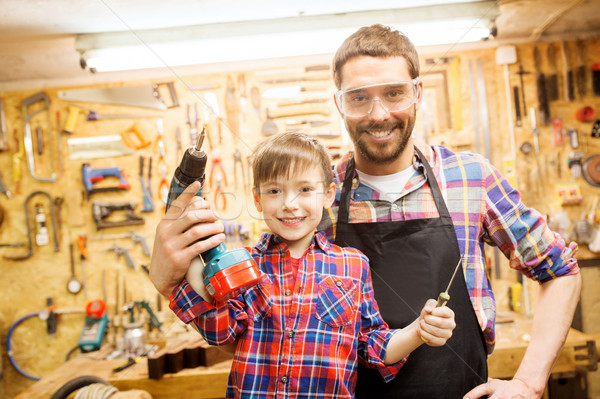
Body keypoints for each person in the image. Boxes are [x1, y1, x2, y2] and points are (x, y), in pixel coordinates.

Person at [150, 24, 581, 398]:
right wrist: (168, 278)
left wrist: (528, 383)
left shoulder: (471, 179)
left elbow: (560, 270)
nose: (378, 114)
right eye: (359, 98)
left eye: (394, 93)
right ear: (339, 104)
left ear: (417, 93)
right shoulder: (315, 199)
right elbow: (259, 335)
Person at [162, 131, 456, 398]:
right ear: (258, 199)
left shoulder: (353, 265)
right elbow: (220, 331)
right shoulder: (246, 265)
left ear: (328, 195)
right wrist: (193, 255)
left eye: (304, 189)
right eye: (275, 191)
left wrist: (418, 331)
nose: (290, 203)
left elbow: (371, 346)